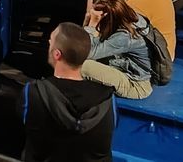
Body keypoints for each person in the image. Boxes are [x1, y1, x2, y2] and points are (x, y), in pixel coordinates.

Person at [21, 22, 114, 162]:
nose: (49, 42)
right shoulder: (107, 98)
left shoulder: (33, 93)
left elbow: (27, 125)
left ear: (57, 54)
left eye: (51, 40)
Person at [81, 0, 153, 99]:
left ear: (105, 15)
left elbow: (85, 53)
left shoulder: (125, 37)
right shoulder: (132, 19)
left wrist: (91, 25)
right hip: (123, 68)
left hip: (135, 84)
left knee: (82, 65)